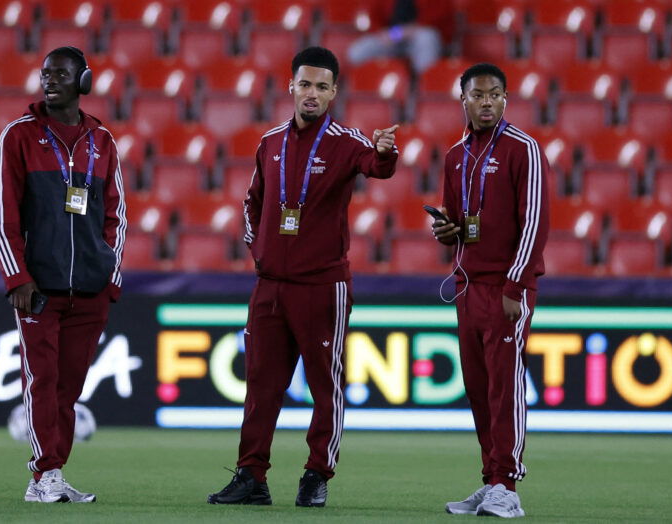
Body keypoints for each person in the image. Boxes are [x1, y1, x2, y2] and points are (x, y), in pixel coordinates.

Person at [207, 46, 399, 508]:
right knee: (260, 385)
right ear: (291, 86)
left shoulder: (347, 140)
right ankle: (252, 475)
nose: (312, 93)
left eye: (322, 86)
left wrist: (385, 153)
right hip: (270, 284)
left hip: (322, 284)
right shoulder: (269, 142)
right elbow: (252, 203)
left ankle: (317, 474)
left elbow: (376, 168)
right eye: (305, 84)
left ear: (334, 92)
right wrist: (261, 252)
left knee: (325, 385)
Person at [0, 46, 126, 503]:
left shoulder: (103, 141)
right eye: (45, 74)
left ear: (83, 81)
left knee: (68, 388)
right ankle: (45, 472)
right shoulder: (18, 137)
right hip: (38, 290)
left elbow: (117, 217)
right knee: (42, 381)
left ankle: (50, 476)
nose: (49, 81)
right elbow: (1, 216)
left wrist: (111, 279)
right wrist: (17, 277)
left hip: (90, 291)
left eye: (61, 75)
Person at [431, 63, 549, 518]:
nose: (487, 102)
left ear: (505, 99)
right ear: (463, 99)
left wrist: (516, 284)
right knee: (479, 388)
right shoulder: (455, 155)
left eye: (495, 94)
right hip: (468, 284)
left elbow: (535, 222)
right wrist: (447, 231)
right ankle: (489, 479)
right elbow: (457, 222)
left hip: (506, 286)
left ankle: (508, 485)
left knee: (505, 386)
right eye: (478, 95)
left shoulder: (524, 149)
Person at [347, 0, 455, 74]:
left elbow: (436, 22)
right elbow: (371, 16)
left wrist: (404, 32)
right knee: (358, 51)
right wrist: (382, 32)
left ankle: (424, 86)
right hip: (391, 37)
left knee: (427, 38)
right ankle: (371, 88)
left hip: (417, 36)